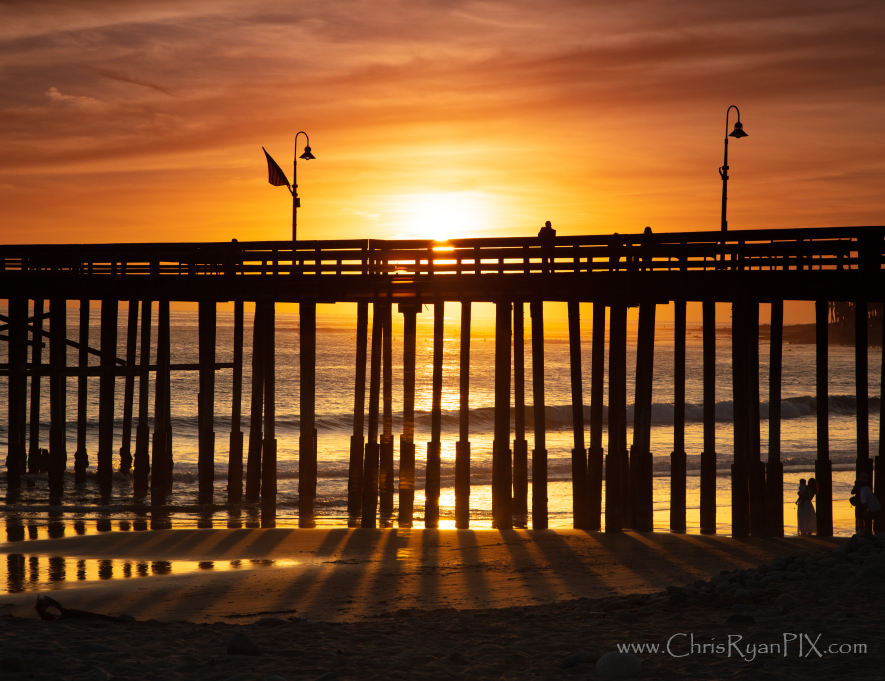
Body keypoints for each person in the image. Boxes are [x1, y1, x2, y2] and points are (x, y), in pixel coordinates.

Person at [857, 472, 882, 537]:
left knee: (868, 523)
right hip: (877, 507)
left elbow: (865, 504)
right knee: (880, 523)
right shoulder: (868, 488)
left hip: (871, 509)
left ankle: (868, 536)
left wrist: (865, 513)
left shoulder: (862, 490)